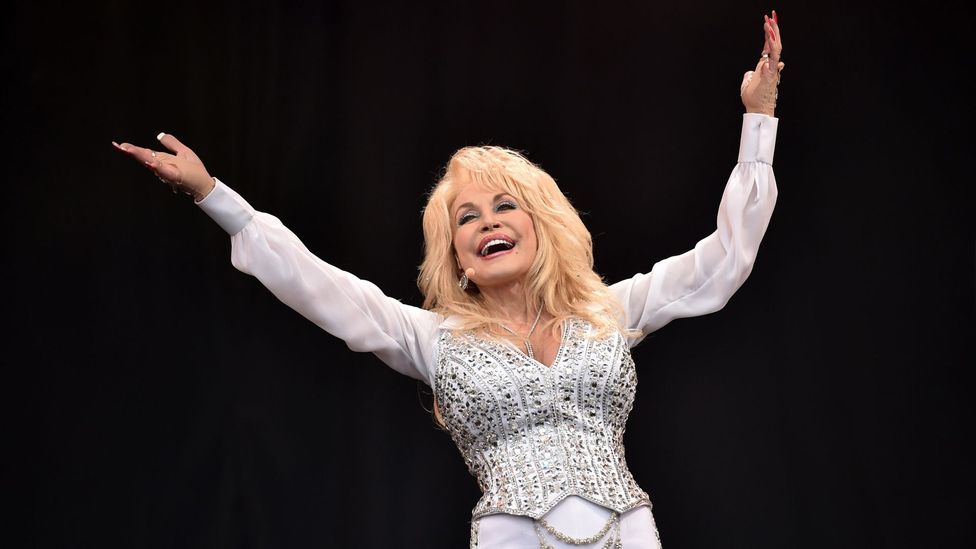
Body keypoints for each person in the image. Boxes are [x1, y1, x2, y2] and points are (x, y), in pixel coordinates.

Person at [113, 12, 784, 549]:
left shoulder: (610, 309)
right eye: (467, 217)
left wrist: (759, 119)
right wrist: (214, 195)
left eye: (502, 206)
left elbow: (725, 260)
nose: (486, 223)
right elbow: (316, 282)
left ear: (539, 223)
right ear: (458, 255)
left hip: (629, 533)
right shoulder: (434, 338)